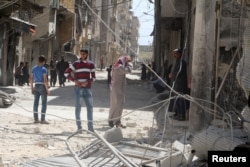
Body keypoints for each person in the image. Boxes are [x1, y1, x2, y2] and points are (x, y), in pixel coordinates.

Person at [64, 49, 95, 132]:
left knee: (90, 108)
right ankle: (79, 127)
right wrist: (74, 80)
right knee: (78, 108)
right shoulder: (76, 64)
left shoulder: (91, 64)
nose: (82, 56)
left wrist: (87, 82)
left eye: (84, 54)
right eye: (81, 54)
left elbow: (94, 77)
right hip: (78, 89)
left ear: (87, 54)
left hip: (87, 89)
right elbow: (66, 73)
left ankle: (90, 128)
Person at [108, 55, 133, 128]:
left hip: (116, 88)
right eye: (127, 61)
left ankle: (112, 120)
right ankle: (116, 121)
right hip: (117, 89)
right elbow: (128, 70)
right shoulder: (119, 67)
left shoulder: (117, 66)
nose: (127, 62)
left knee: (114, 104)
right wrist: (130, 63)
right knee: (118, 105)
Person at [169, 48, 188, 121]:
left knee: (181, 99)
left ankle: (181, 115)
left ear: (180, 54)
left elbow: (179, 72)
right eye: (174, 53)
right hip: (176, 84)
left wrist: (172, 75)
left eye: (176, 53)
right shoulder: (177, 62)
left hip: (181, 84)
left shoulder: (182, 62)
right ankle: (177, 113)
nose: (174, 55)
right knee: (176, 99)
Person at [30, 55, 50, 124]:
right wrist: (47, 90)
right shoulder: (44, 69)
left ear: (38, 60)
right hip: (42, 86)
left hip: (36, 85)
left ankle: (36, 119)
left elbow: (31, 79)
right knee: (44, 103)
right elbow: (45, 80)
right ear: (44, 61)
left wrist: (32, 88)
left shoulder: (34, 68)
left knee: (35, 103)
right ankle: (42, 119)